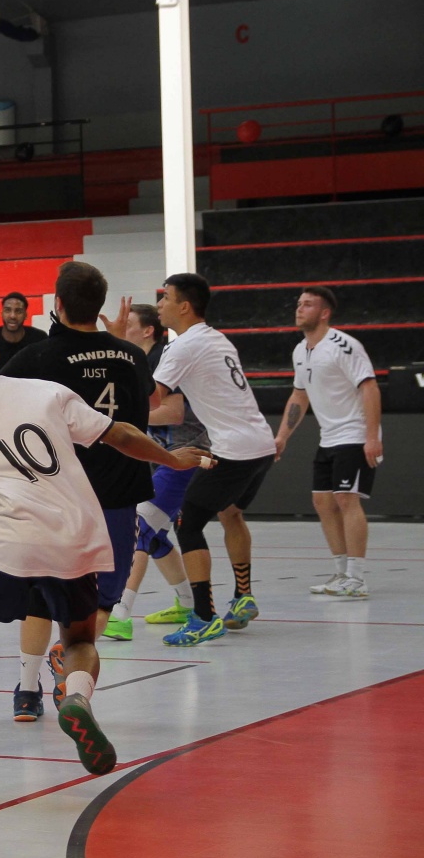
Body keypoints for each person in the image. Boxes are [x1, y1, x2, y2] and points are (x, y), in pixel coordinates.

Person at [0, 314, 209, 808]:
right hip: (77, 535)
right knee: (78, 640)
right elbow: (121, 435)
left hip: (11, 542)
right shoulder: (43, 392)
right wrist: (171, 459)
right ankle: (75, 694)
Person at [0, 266, 154, 718]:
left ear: (58, 304)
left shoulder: (37, 358)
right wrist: (119, 345)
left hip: (57, 497)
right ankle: (68, 663)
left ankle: (27, 691)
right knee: (102, 601)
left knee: (38, 594)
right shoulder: (133, 356)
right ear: (100, 305)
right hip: (118, 498)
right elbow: (145, 397)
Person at [152, 273, 277, 646]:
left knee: (186, 522)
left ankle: (204, 617)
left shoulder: (182, 346)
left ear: (184, 306)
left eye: (165, 297)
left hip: (235, 449)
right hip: (261, 443)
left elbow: (153, 398)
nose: (159, 304)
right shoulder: (217, 338)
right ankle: (243, 596)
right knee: (230, 512)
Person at [102, 304, 208, 640]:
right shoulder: (140, 361)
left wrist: (125, 417)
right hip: (165, 457)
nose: (123, 327)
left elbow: (174, 413)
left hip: (187, 454)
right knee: (157, 537)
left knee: (141, 529)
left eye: (130, 324)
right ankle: (188, 603)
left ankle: (120, 613)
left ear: (148, 330)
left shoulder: (164, 359)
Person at [273, 286, 382, 598]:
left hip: (355, 435)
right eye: (299, 303)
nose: (300, 308)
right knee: (322, 502)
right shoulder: (300, 351)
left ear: (324, 313)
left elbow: (370, 387)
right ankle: (341, 572)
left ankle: (357, 578)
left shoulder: (343, 345)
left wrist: (371, 437)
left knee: (346, 499)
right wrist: (282, 436)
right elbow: (299, 396)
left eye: (308, 304)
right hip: (329, 437)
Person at [0, 292, 45, 372]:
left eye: (18, 311)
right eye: (7, 310)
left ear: (25, 315)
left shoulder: (39, 339)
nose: (12, 316)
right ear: (1, 313)